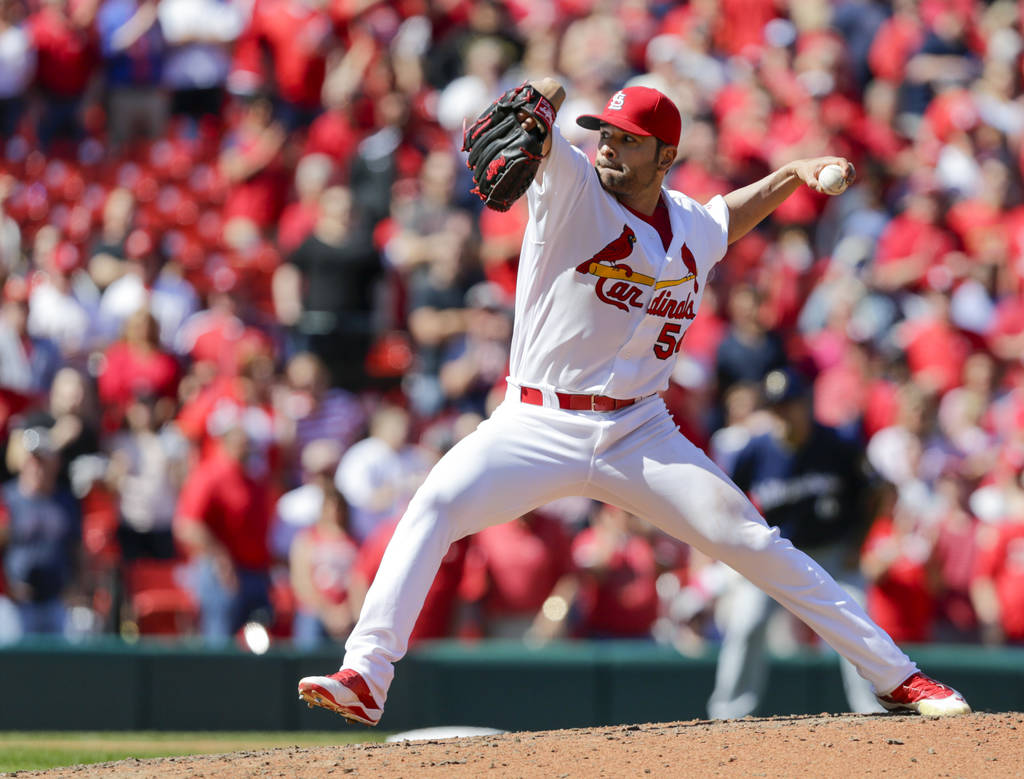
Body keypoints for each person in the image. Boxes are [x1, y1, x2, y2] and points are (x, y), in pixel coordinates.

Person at [299, 81, 970, 725]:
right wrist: (546, 97)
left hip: (639, 429)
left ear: (665, 156)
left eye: (628, 139)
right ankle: (366, 673)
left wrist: (792, 174)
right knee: (436, 502)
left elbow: (727, 218)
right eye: (605, 134)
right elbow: (543, 105)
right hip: (536, 421)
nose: (609, 147)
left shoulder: (690, 225)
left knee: (753, 540)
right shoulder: (573, 188)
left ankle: (896, 676)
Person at [706, 368, 882, 719]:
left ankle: (871, 709)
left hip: (832, 554)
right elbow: (725, 501)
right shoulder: (754, 450)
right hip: (778, 555)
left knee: (857, 618)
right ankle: (728, 715)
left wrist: (858, 543)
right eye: (776, 406)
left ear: (806, 404)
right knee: (746, 622)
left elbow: (877, 492)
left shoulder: (839, 443)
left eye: (789, 404)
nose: (783, 413)